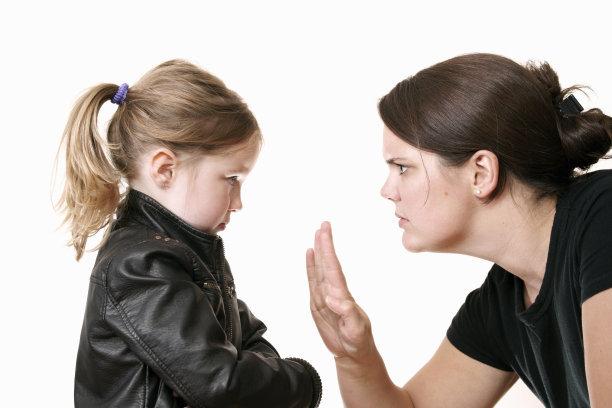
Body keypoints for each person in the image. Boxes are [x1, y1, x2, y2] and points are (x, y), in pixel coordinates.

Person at [306, 53, 612, 407]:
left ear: (480, 173)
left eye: (403, 168)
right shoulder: (503, 299)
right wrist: (356, 359)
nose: (387, 191)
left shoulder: (603, 216)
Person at [57, 59, 322, 408]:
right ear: (166, 169)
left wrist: (253, 370)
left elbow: (250, 339)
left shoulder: (189, 253)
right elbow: (222, 385)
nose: (239, 202)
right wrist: (306, 380)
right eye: (232, 179)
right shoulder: (141, 265)